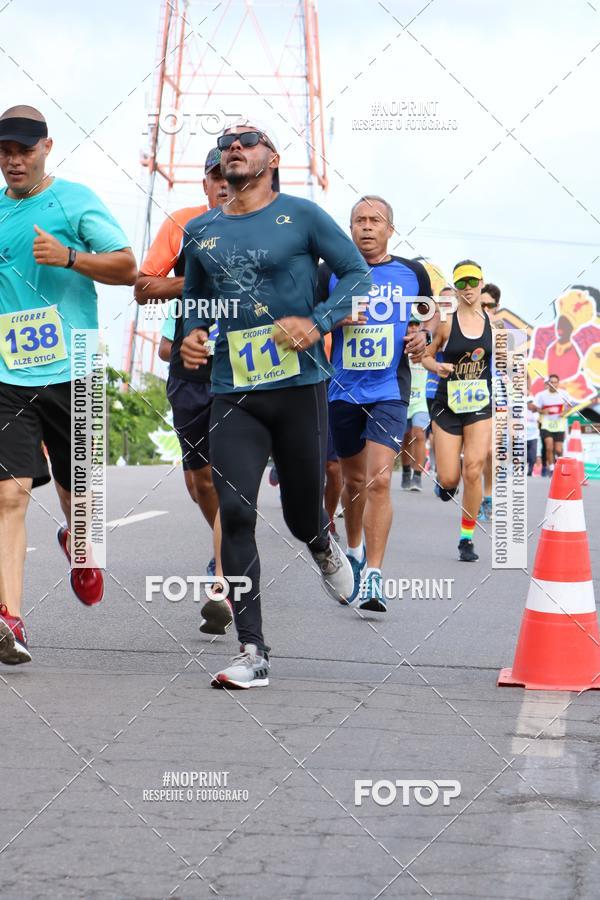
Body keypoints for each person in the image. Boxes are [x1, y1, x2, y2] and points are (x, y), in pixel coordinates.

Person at [180, 122, 370, 689]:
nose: (234, 146)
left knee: (299, 515)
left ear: (273, 158)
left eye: (249, 140)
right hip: (233, 388)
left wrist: (318, 321)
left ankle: (321, 544)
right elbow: (194, 303)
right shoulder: (201, 229)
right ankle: (252, 649)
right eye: (226, 142)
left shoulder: (303, 216)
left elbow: (357, 276)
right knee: (235, 511)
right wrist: (192, 335)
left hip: (298, 387)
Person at [0, 105, 136, 664]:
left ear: (47, 147)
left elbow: (128, 266)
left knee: (81, 498)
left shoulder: (75, 200)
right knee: (9, 494)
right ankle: (9, 621)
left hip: (74, 365)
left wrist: (71, 257)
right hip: (7, 373)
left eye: (23, 150)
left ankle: (82, 549)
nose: (12, 161)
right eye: (4, 151)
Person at [134, 147, 232, 636]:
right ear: (205, 183)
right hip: (189, 371)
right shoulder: (184, 224)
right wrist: (194, 285)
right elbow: (143, 285)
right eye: (215, 175)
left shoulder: (269, 227)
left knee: (228, 476)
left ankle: (223, 583)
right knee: (200, 484)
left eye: (232, 175)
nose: (224, 182)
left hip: (241, 370)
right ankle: (226, 549)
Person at [323, 195, 432, 610]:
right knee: (352, 481)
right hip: (341, 389)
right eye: (359, 221)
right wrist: (335, 316)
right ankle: (352, 552)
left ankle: (373, 577)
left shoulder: (412, 272)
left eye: (375, 220)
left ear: (390, 228)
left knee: (379, 480)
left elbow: (430, 315)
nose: (366, 227)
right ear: (350, 229)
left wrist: (424, 334)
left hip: (389, 388)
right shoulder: (329, 272)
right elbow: (306, 316)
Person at [422, 260, 493, 563]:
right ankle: (445, 484)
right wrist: (436, 365)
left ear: (481, 283)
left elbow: (506, 365)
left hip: (479, 404)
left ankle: (467, 538)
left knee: (474, 468)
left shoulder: (495, 324)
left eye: (472, 282)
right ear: (455, 287)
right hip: (447, 404)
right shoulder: (447, 322)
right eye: (461, 283)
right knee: (451, 478)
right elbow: (425, 355)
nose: (467, 289)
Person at [425, 286, 455, 479]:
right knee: (437, 433)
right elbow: (425, 355)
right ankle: (439, 468)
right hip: (435, 387)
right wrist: (436, 366)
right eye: (442, 300)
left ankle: (452, 468)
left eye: (450, 300)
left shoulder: (465, 323)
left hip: (462, 389)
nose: (446, 303)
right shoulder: (434, 324)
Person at [477, 282, 501, 521]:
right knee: (474, 456)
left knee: (490, 451)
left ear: (497, 306)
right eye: (480, 304)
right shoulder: (465, 327)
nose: (485, 309)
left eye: (489, 305)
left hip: (494, 394)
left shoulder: (502, 333)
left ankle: (488, 498)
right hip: (465, 397)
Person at [401, 317, 430, 491]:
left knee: (419, 434)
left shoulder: (427, 346)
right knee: (405, 437)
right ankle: (405, 473)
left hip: (421, 401)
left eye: (416, 325)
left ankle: (417, 476)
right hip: (403, 399)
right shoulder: (399, 346)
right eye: (409, 325)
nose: (412, 328)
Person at [532, 374, 569, 473]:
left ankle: (560, 465)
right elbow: (536, 408)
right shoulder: (541, 395)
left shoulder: (564, 394)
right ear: (548, 383)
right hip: (546, 424)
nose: (553, 384)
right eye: (551, 382)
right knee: (549, 447)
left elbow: (570, 406)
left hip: (559, 425)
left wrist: (565, 412)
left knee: (558, 450)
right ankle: (552, 469)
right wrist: (542, 411)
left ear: (558, 383)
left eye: (555, 382)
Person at [526, 376, 541, 476]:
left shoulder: (536, 410)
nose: (530, 405)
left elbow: (539, 422)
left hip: (533, 435)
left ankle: (530, 471)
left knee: (532, 456)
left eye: (531, 403)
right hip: (521, 435)